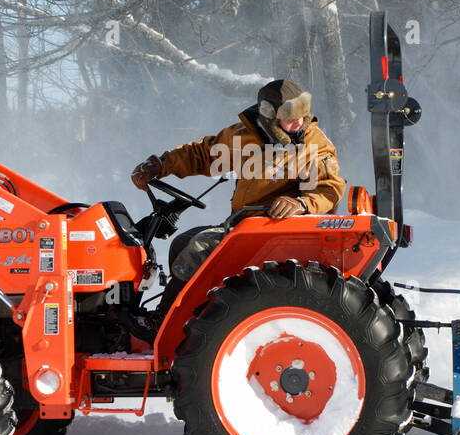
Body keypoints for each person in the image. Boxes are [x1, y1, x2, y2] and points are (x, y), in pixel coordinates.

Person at [131, 78, 345, 287]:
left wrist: (301, 204)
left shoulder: (313, 144)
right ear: (269, 116)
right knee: (182, 243)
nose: (298, 123)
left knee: (197, 250)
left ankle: (174, 318)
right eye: (290, 117)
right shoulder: (244, 137)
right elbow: (204, 155)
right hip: (246, 226)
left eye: (302, 115)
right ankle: (191, 312)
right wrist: (161, 165)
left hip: (279, 231)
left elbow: (329, 187)